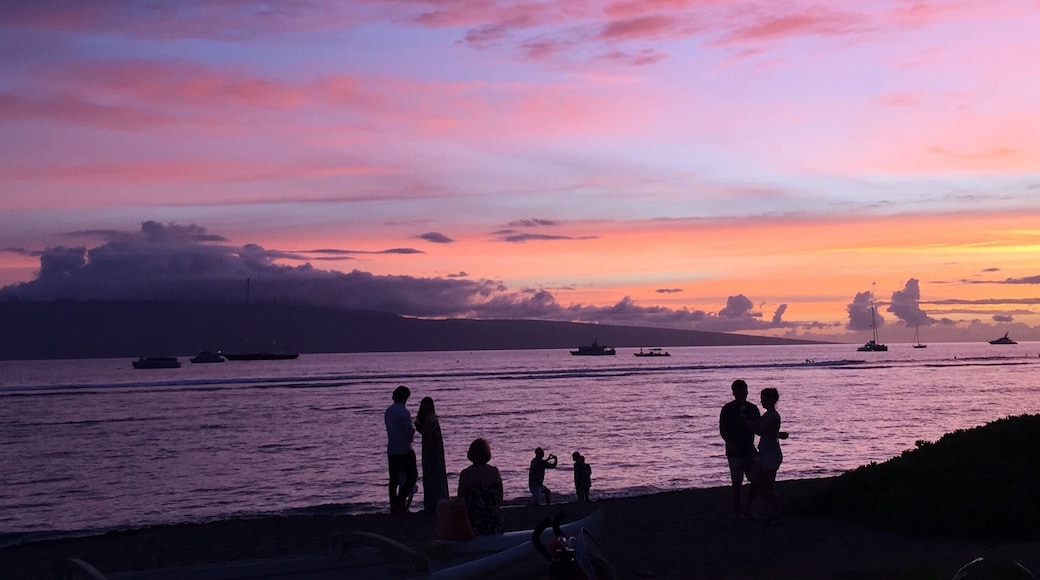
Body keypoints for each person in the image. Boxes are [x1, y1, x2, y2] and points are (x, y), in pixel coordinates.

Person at [744, 387, 788, 522]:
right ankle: (751, 508)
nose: (761, 401)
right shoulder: (767, 415)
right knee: (756, 482)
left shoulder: (773, 416)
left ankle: (776, 512)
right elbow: (756, 425)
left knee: (767, 486)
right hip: (764, 453)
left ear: (770, 400)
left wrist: (746, 424)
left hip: (771, 454)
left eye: (763, 398)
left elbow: (760, 430)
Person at [719, 379, 761, 519]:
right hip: (734, 452)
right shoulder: (727, 409)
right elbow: (723, 429)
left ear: (747, 391)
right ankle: (738, 513)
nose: (741, 394)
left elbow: (758, 427)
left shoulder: (753, 408)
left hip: (749, 450)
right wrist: (730, 444)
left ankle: (747, 507)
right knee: (736, 483)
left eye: (743, 391)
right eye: (738, 392)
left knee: (756, 481)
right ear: (734, 393)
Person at [457, 438, 504, 535]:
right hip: (494, 520)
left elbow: (460, 500)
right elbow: (500, 498)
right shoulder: (495, 472)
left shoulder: (466, 474)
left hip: (474, 521)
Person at [384, 385, 418, 515]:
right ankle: (400, 501)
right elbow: (408, 430)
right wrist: (413, 431)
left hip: (392, 448)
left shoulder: (388, 411)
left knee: (393, 479)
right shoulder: (403, 412)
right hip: (404, 448)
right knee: (412, 475)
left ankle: (394, 505)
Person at [415, 396, 449, 514]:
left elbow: (428, 436)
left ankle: (433, 503)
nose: (426, 407)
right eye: (425, 405)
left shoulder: (429, 418)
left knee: (432, 476)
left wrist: (425, 453)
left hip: (432, 452)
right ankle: (437, 502)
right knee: (436, 477)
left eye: (428, 405)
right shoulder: (431, 418)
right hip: (435, 451)